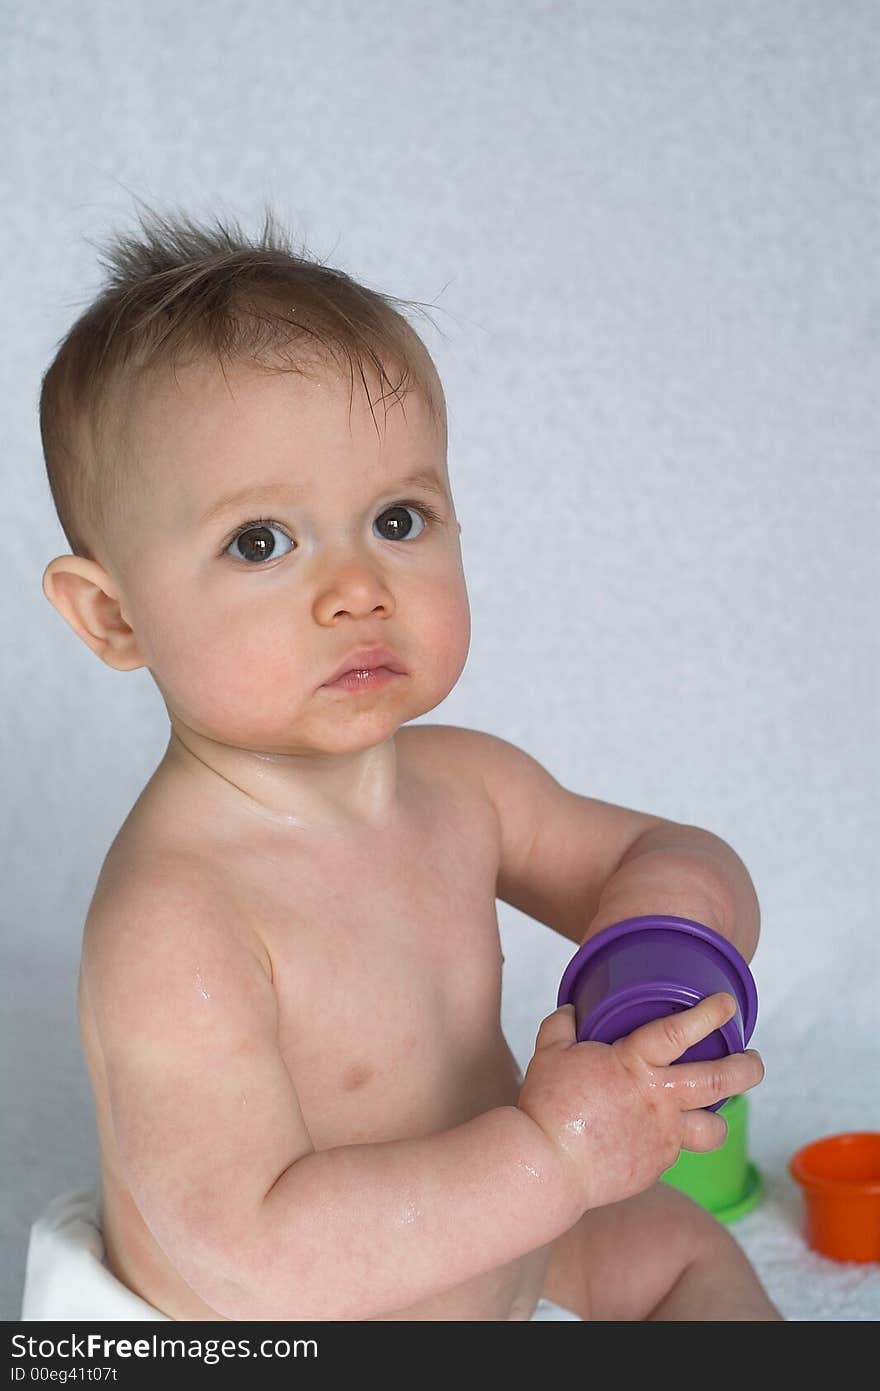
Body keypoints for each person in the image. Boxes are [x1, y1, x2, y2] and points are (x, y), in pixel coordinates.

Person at [24, 205, 781, 1321]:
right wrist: (554, 1156)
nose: (357, 586)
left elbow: (654, 848)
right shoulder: (178, 914)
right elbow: (255, 1251)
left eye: (396, 516)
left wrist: (666, 926)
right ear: (113, 615)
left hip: (494, 1244)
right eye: (260, 541)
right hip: (276, 1329)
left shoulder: (466, 784)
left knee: (677, 1247)